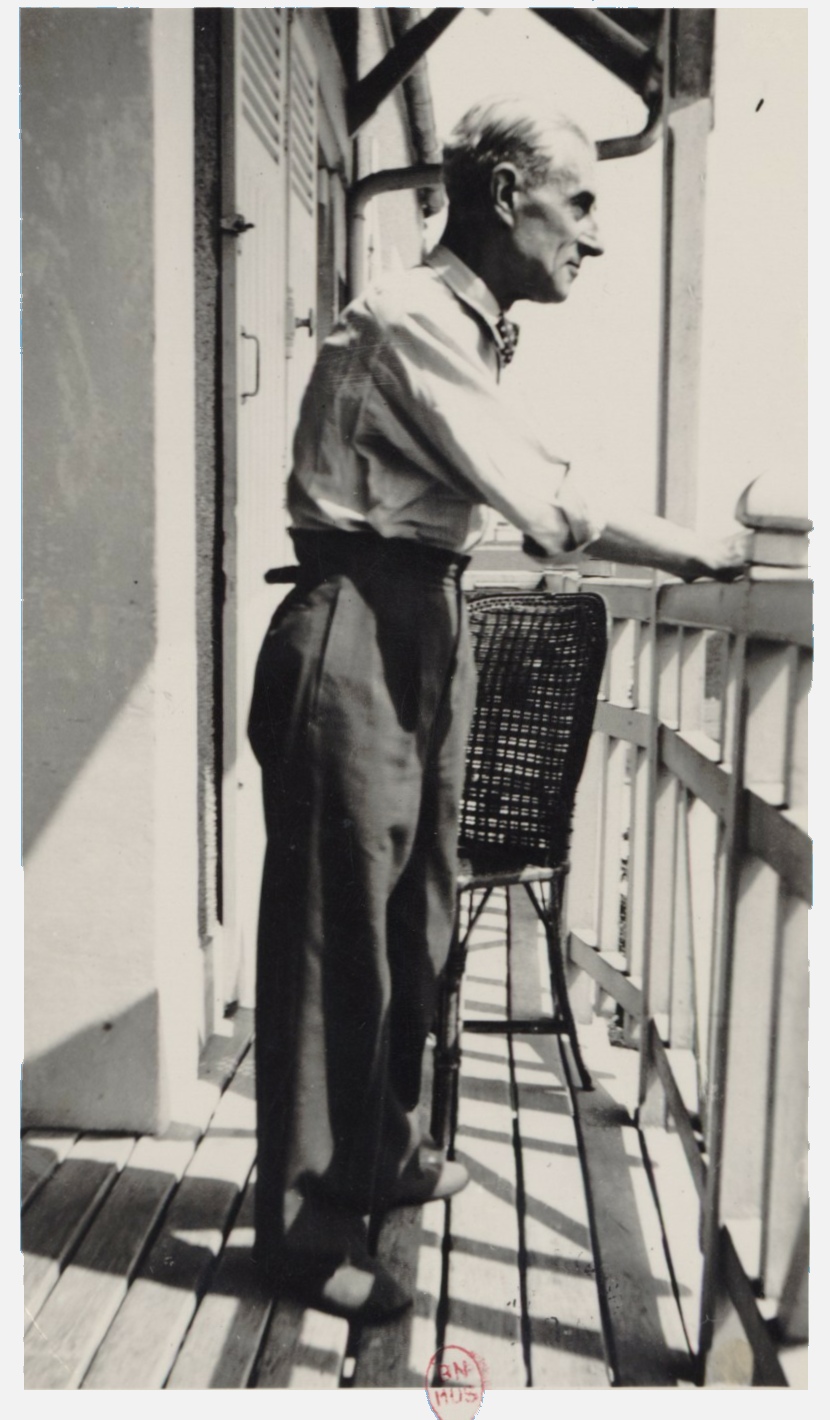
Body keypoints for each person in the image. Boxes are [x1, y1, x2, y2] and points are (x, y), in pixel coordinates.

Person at [247, 96, 750, 1323]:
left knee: (417, 915)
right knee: (336, 938)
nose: (591, 235)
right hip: (356, 623)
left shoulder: (459, 325)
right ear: (505, 191)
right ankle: (306, 1230)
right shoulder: (411, 315)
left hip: (424, 613)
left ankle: (385, 1154)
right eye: (578, 202)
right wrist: (692, 552)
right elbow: (532, 493)